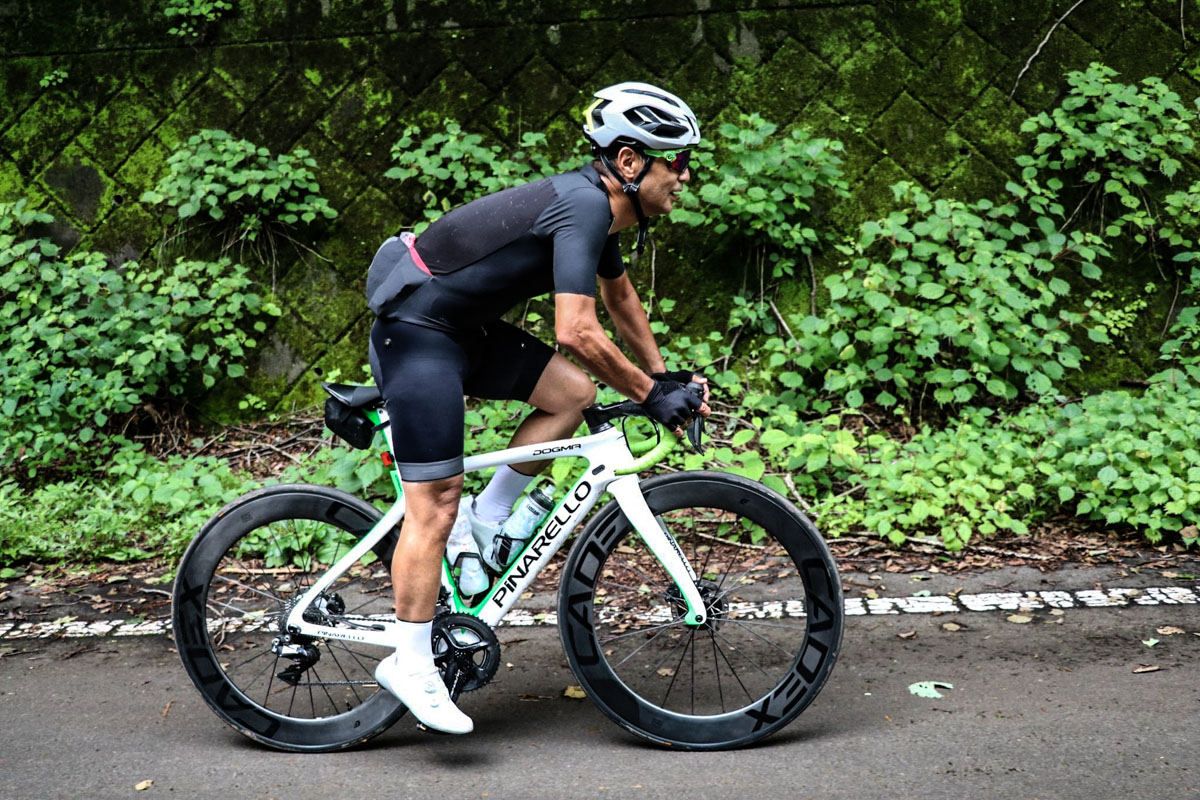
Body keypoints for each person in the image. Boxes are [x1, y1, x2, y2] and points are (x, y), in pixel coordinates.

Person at [365, 82, 710, 734]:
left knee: (574, 395)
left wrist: (663, 377)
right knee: (434, 500)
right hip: (416, 334)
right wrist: (648, 393)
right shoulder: (582, 207)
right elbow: (576, 332)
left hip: (460, 329)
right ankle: (409, 662)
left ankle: (488, 522)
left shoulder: (596, 210)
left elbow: (621, 303)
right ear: (631, 162)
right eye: (677, 161)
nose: (686, 177)